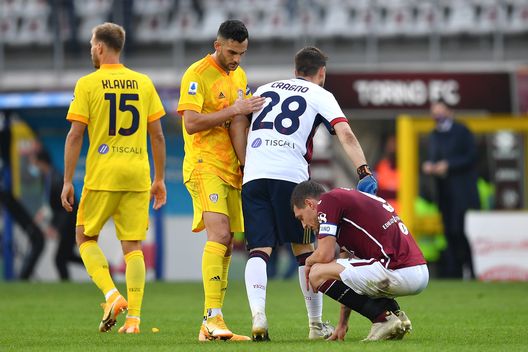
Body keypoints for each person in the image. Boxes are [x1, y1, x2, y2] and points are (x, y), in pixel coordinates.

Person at [229, 46, 378, 341]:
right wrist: (363, 170)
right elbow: (346, 134)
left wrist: (246, 163)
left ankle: (259, 316)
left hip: (255, 175)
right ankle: (314, 324)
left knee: (259, 250)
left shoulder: (265, 89)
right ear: (321, 73)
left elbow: (238, 124)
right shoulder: (320, 94)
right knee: (305, 251)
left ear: (295, 69)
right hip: (291, 178)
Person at [60, 22, 167, 334]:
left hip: (103, 173)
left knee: (83, 237)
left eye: (92, 45)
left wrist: (67, 180)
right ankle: (133, 320)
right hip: (137, 174)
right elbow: (158, 136)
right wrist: (159, 178)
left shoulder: (87, 84)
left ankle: (111, 295)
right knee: (132, 246)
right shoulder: (144, 83)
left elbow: (75, 135)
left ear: (99, 47)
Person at [177, 19, 265, 341]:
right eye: (231, 51)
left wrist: (245, 163)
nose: (237, 59)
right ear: (218, 45)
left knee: (228, 242)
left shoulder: (239, 76)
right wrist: (235, 110)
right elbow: (191, 123)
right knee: (219, 233)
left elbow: (238, 121)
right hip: (203, 164)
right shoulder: (196, 74)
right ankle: (212, 316)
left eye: (242, 53)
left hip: (230, 168)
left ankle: (211, 324)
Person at [291, 180, 429, 341]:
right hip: (417, 271)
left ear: (310, 204)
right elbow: (346, 278)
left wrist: (308, 262)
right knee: (329, 271)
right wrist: (342, 323)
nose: (304, 225)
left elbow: (324, 255)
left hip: (397, 269)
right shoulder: (347, 209)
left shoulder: (327, 200)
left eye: (301, 217)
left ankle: (383, 319)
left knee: (316, 273)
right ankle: (397, 316)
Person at [422, 101, 480, 279]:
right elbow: (432, 157)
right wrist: (429, 166)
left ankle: (472, 271)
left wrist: (449, 165)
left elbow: (471, 157)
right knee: (449, 233)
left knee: (462, 232)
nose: (436, 115)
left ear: (449, 111)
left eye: (440, 111)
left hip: (462, 194)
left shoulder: (462, 131)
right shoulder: (434, 135)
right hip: (444, 193)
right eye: (434, 112)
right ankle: (455, 273)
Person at [0, 110, 45, 280]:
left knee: (38, 240)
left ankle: (23, 277)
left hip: (18, 198)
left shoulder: (31, 169)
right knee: (38, 240)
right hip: (12, 195)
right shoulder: (21, 167)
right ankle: (23, 277)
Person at [32, 148, 84, 281]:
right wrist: (44, 216)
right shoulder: (48, 177)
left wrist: (56, 228)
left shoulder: (56, 179)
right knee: (65, 256)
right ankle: (103, 266)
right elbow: (54, 206)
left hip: (71, 221)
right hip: (67, 222)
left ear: (41, 162)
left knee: (60, 258)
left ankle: (102, 267)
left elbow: (65, 207)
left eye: (34, 162)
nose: (33, 167)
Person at [374, 134, 399, 213]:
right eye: (390, 144)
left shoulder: (408, 167)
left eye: (395, 143)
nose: (392, 147)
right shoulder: (380, 166)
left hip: (403, 212)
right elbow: (375, 192)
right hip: (384, 210)